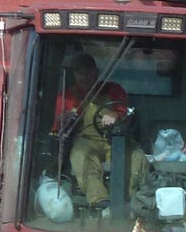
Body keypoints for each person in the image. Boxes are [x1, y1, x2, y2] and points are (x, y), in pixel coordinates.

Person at [56, 53, 147, 211]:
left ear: (96, 72)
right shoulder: (67, 96)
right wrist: (65, 120)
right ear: (74, 75)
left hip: (116, 139)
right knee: (80, 155)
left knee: (137, 157)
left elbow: (123, 111)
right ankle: (101, 203)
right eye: (80, 73)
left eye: (89, 73)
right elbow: (57, 128)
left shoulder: (113, 90)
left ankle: (128, 204)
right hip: (87, 140)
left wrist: (114, 114)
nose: (84, 77)